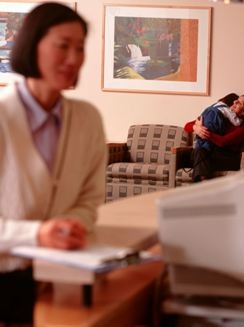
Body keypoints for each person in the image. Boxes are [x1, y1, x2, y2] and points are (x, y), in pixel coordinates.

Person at [0, 3, 107, 325]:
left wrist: (70, 224)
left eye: (80, 48)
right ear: (32, 45)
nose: (74, 59)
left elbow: (90, 198)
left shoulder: (87, 119)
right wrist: (36, 234)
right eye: (63, 46)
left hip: (57, 275)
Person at [185, 94, 244, 182]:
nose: (235, 101)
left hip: (228, 158)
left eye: (239, 103)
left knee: (200, 152)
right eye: (236, 100)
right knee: (199, 152)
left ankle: (200, 188)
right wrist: (196, 128)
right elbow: (187, 126)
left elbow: (222, 141)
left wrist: (203, 132)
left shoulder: (243, 128)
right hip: (211, 154)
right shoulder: (221, 115)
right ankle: (202, 186)